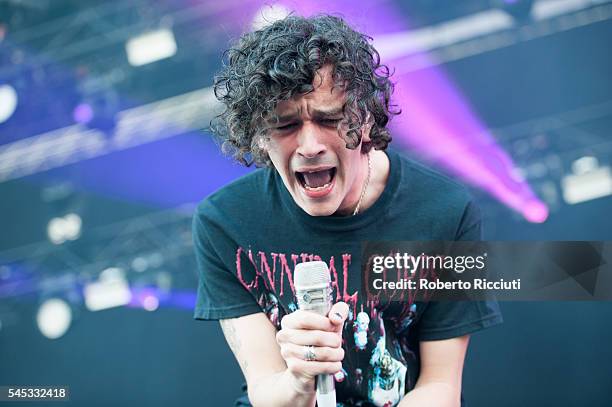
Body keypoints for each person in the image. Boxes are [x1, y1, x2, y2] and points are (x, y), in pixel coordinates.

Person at [193, 14, 502, 407]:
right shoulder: (225, 222)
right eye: (284, 125)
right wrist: (300, 379)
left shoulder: (446, 212)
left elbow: (441, 387)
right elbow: (265, 390)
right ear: (258, 135)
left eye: (329, 118)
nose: (309, 145)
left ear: (366, 119)